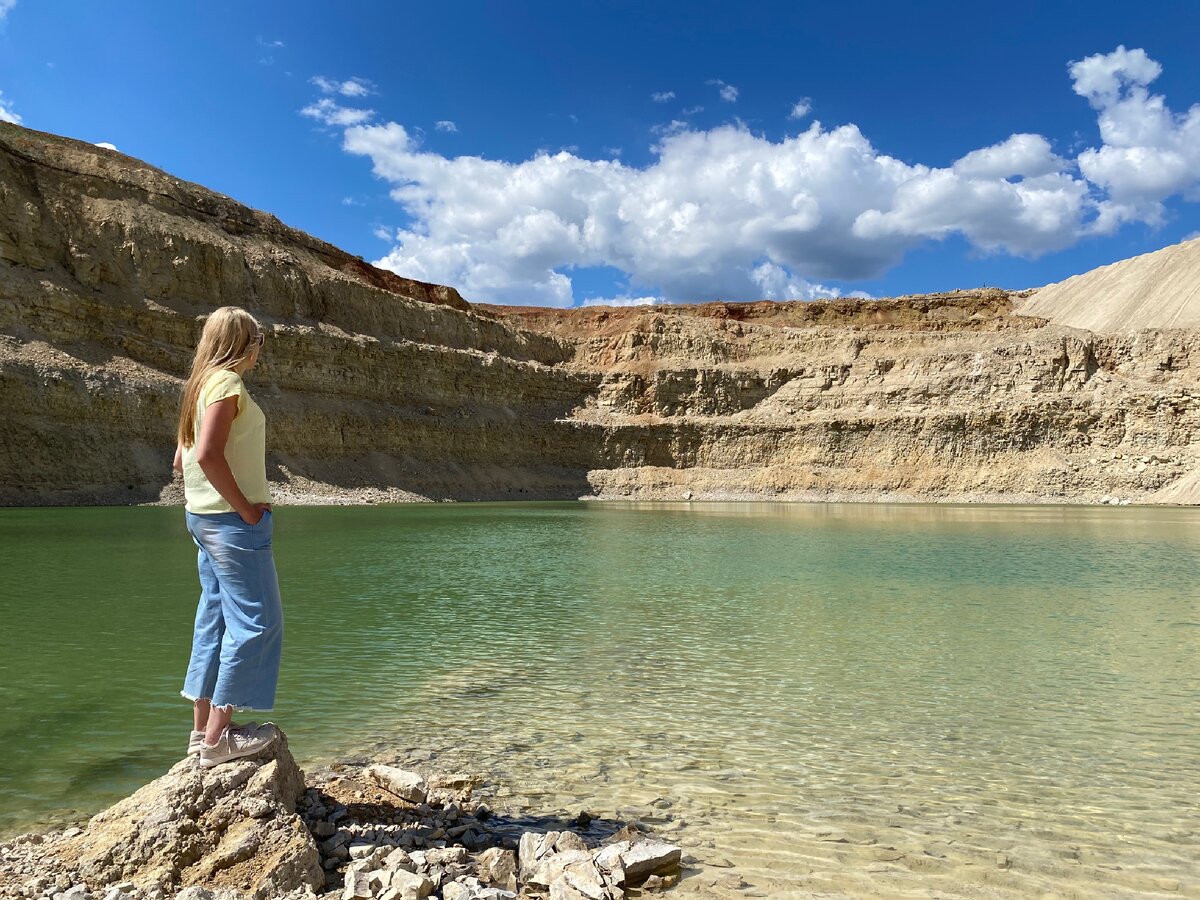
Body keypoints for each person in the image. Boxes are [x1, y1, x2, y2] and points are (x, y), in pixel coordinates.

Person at [171, 306, 282, 768]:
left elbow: (181, 463)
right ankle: (218, 739)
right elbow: (209, 454)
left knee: (214, 622)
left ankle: (202, 733)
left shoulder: (198, 385)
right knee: (257, 623)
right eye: (257, 337)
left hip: (201, 518)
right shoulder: (228, 385)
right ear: (243, 341)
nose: (260, 346)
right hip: (231, 525)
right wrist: (247, 511)